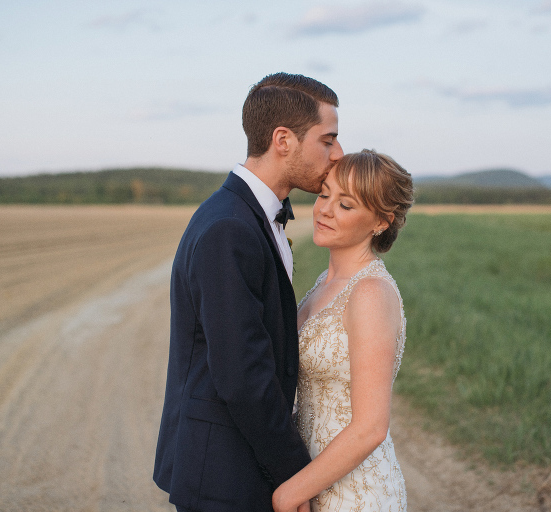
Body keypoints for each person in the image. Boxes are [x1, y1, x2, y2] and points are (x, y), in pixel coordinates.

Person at [153, 72, 343, 511]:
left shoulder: (244, 215)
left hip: (236, 466)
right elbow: (243, 376)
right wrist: (296, 475)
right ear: (283, 140)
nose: (338, 153)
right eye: (328, 140)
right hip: (225, 474)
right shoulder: (230, 228)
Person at [272, 150, 413, 512]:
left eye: (345, 204)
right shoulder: (324, 283)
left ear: (381, 221)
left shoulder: (370, 292)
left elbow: (370, 427)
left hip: (355, 494)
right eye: (324, 195)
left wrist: (289, 493)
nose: (325, 210)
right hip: (315, 480)